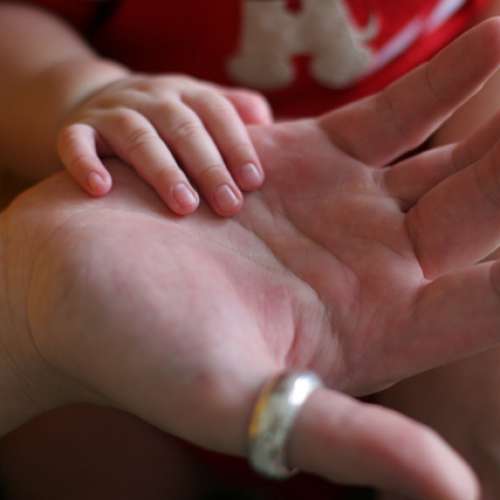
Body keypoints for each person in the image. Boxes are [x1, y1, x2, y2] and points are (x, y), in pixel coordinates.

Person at [1, 1, 500, 499]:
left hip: (404, 225)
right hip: (155, 225)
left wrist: (466, 188)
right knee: (68, 428)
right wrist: (84, 90)